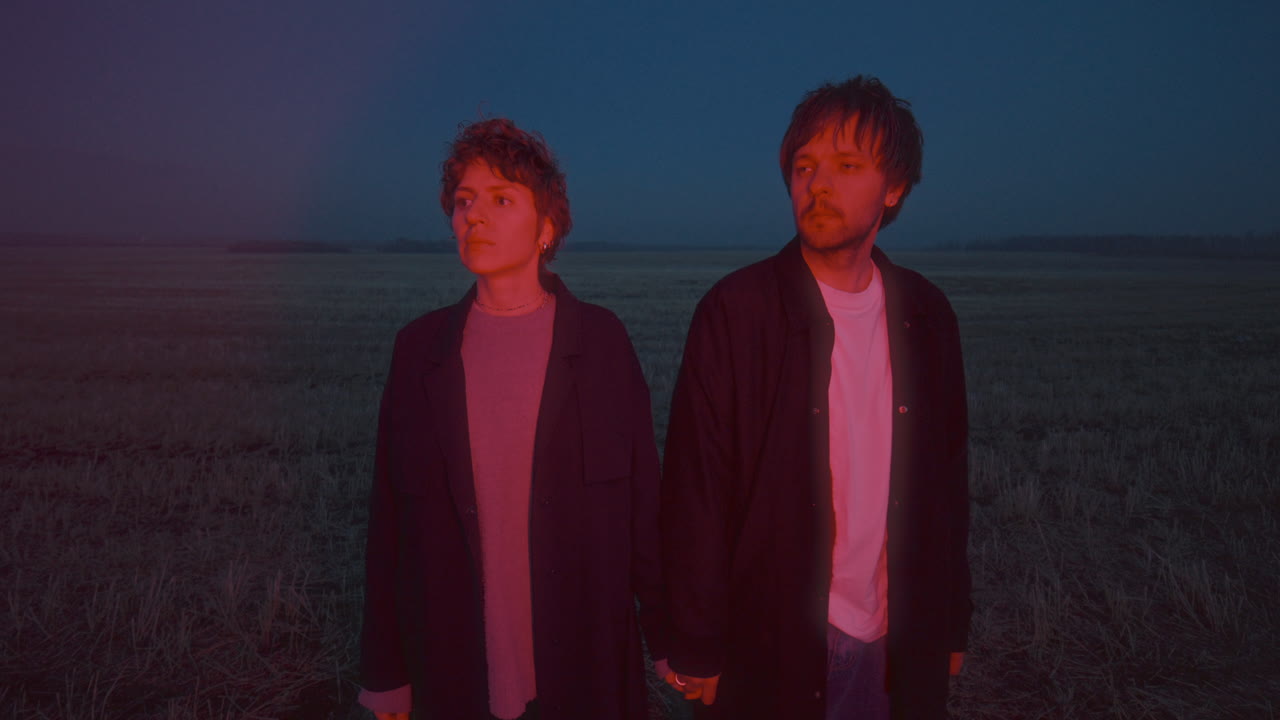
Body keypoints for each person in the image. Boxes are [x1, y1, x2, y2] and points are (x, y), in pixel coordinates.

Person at [659, 76, 972, 719]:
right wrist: (696, 642)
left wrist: (950, 622)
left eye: (846, 165)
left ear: (893, 187)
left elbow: (947, 483)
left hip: (895, 637)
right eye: (805, 166)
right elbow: (696, 493)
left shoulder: (927, 314)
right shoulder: (736, 311)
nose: (818, 183)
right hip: (773, 645)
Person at [357, 118, 668, 720]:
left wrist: (668, 636)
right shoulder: (419, 350)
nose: (474, 216)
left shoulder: (602, 342)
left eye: (501, 200)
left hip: (584, 661)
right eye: (464, 201)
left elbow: (642, 506)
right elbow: (389, 525)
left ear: (546, 227)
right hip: (454, 663)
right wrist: (385, 673)